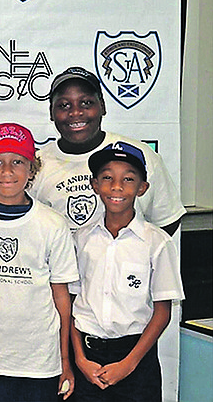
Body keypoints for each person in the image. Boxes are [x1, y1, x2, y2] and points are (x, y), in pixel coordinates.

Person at [0, 124, 78, 401]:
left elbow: (62, 299)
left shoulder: (51, 224)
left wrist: (64, 359)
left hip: (39, 364)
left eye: (17, 162)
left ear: (31, 168)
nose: (7, 171)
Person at [69, 141, 184, 401]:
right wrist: (80, 359)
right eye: (107, 178)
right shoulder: (81, 239)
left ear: (142, 188)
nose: (117, 187)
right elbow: (73, 303)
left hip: (136, 359)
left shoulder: (157, 243)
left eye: (128, 179)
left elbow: (162, 311)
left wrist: (129, 364)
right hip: (88, 359)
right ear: (95, 185)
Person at [30, 66, 185, 235]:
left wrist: (135, 253)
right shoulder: (36, 164)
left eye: (86, 103)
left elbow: (167, 220)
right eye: (64, 105)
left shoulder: (140, 155)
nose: (76, 112)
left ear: (102, 107)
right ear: (51, 112)